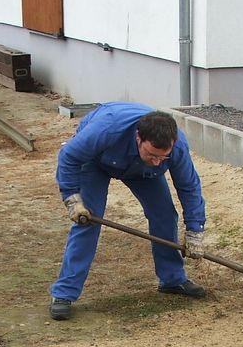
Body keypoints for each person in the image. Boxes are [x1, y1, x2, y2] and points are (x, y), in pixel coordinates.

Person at [49, 102, 206, 320]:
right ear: (138, 137)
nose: (158, 161)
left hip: (142, 172)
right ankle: (64, 293)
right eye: (152, 154)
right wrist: (72, 199)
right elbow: (69, 156)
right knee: (88, 221)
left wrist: (194, 230)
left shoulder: (175, 149)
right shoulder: (107, 129)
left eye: (163, 157)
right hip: (96, 161)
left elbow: (189, 187)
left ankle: (172, 279)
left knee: (165, 216)